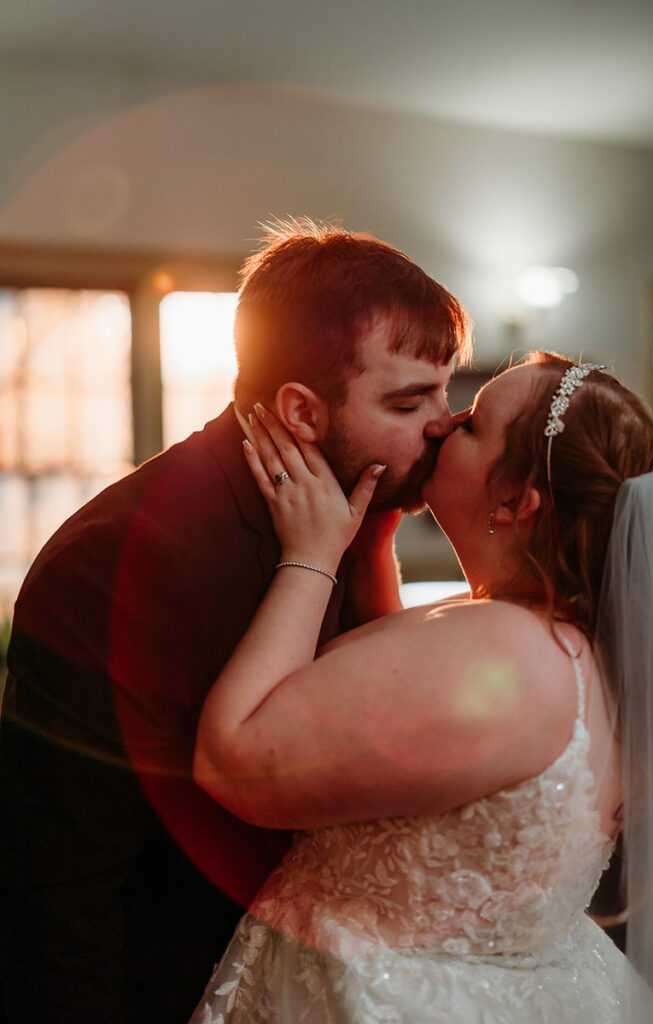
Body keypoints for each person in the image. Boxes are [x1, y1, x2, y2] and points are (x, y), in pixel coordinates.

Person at [0, 219, 471, 1024]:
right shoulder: (123, 559)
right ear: (301, 412)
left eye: (446, 391)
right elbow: (58, 884)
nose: (444, 423)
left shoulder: (353, 519)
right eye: (407, 400)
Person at [189, 351, 653, 1023]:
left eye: (473, 424)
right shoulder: (566, 645)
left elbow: (232, 759)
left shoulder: (507, 652)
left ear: (515, 501)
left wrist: (310, 554)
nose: (442, 424)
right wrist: (367, 553)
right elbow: (411, 723)